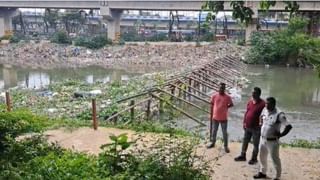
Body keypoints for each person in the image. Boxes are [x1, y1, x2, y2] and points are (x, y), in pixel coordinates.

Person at [253, 97, 293, 180]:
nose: (266, 105)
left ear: (274, 104)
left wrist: (281, 135)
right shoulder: (264, 109)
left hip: (272, 141)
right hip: (263, 139)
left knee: (275, 159)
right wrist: (261, 123)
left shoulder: (279, 114)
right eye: (266, 103)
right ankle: (262, 172)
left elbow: (288, 126)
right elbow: (261, 117)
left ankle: (277, 176)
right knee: (262, 157)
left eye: (268, 104)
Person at [235, 87, 265, 165]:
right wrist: (244, 122)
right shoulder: (250, 102)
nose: (252, 94)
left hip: (256, 128)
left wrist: (262, 125)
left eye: (254, 93)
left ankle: (254, 158)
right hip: (247, 126)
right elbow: (246, 112)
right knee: (245, 141)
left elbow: (265, 116)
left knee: (256, 144)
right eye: (252, 93)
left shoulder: (263, 104)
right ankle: (243, 155)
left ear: (259, 94)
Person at [207, 83, 233, 153]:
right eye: (220, 88)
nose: (221, 89)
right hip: (215, 117)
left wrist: (226, 107)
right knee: (214, 131)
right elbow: (212, 105)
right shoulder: (214, 96)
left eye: (223, 88)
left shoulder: (228, 97)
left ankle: (226, 146)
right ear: (218, 88)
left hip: (224, 118)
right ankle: (213, 143)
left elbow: (231, 104)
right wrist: (210, 114)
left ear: (224, 89)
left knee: (224, 132)